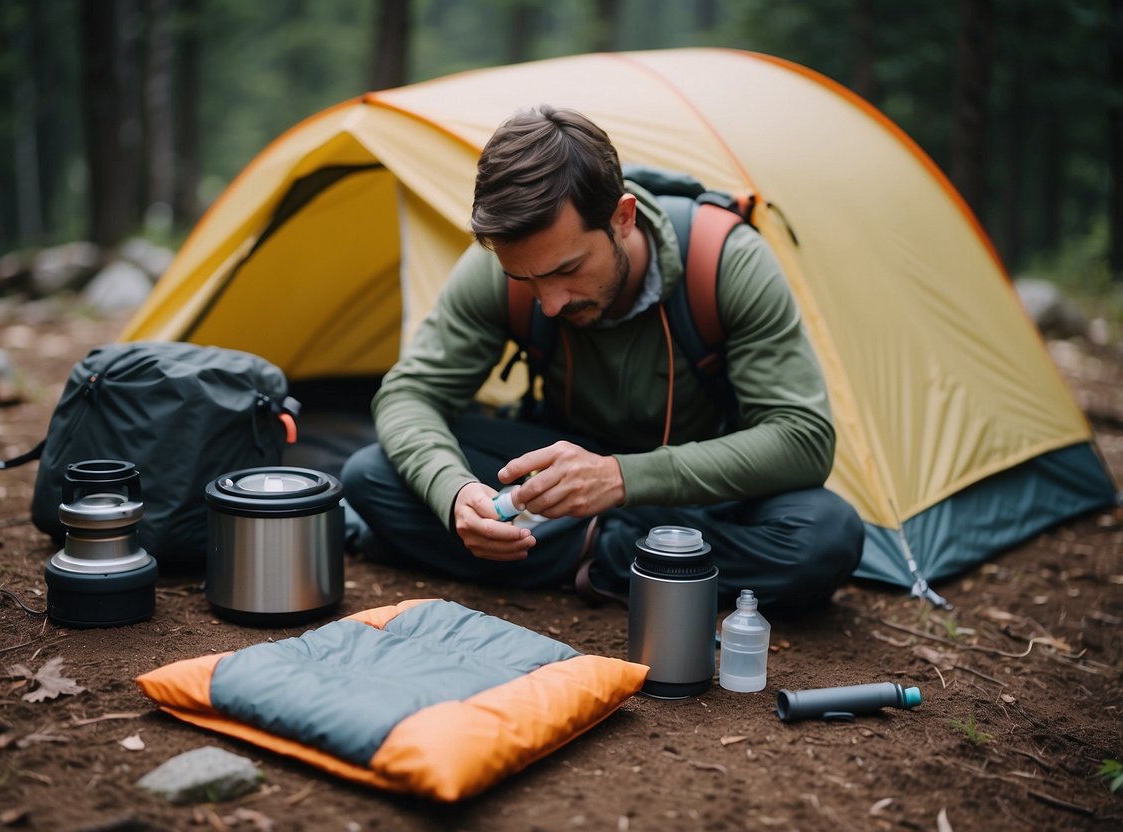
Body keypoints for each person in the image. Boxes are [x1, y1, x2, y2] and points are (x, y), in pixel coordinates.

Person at [341, 104, 863, 610]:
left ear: (622, 218)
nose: (550, 302)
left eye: (567, 269)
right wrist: (455, 494)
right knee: (372, 475)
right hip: (559, 483)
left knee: (825, 535)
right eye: (526, 279)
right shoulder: (501, 272)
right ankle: (649, 564)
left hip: (702, 486)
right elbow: (410, 393)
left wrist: (620, 478)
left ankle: (586, 555)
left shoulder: (725, 262)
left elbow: (803, 438)